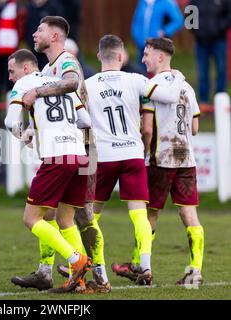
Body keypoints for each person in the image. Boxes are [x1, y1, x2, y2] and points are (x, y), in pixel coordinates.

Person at [11, 16, 108, 294]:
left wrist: (36, 92)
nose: (33, 33)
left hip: (81, 146)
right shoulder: (49, 68)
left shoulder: (66, 60)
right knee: (60, 216)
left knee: (83, 217)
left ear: (54, 36)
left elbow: (72, 83)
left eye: (39, 30)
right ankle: (63, 274)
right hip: (74, 145)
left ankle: (97, 275)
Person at [86, 34, 185, 285]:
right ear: (121, 56)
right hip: (132, 154)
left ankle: (88, 265)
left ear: (99, 56)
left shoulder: (87, 84)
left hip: (104, 156)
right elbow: (171, 96)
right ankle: (146, 267)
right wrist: (179, 76)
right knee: (139, 215)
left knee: (91, 214)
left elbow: (81, 121)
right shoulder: (136, 80)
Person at [4, 49, 92, 293]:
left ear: (25, 68)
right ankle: (80, 282)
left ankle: (77, 261)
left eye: (12, 71)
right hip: (79, 156)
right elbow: (85, 120)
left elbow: (10, 121)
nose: (11, 77)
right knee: (65, 219)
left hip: (56, 157)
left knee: (31, 219)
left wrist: (24, 134)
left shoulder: (24, 83)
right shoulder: (59, 84)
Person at [140, 37, 204, 285]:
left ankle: (141, 266)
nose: (143, 58)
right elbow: (196, 127)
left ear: (160, 56)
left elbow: (147, 129)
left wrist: (143, 150)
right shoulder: (186, 87)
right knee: (189, 213)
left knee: (149, 213)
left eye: (147, 54)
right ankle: (195, 271)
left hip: (161, 157)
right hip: (186, 157)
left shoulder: (151, 86)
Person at [189, 0, 231, 112]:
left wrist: (219, 29)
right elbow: (189, 14)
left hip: (219, 41)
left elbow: (228, 15)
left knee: (221, 69)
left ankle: (220, 100)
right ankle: (203, 102)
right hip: (201, 42)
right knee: (202, 72)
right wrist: (196, 32)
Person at [131, 0, 184, 72]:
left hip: (156, 45)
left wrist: (165, 31)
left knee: (156, 73)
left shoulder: (167, 2)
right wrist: (137, 36)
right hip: (142, 45)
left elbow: (178, 20)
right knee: (141, 73)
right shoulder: (143, 2)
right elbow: (137, 21)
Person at [25, 0, 63, 70]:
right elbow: (27, 26)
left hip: (48, 47)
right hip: (34, 46)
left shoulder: (53, 7)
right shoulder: (30, 7)